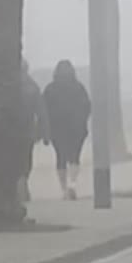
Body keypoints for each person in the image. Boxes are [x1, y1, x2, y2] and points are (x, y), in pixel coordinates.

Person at [43, 60, 91, 200]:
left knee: (61, 158)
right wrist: (82, 121)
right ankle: (72, 184)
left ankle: (64, 189)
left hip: (57, 129)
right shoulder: (78, 88)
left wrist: (45, 128)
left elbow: (43, 109)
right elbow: (87, 106)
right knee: (75, 157)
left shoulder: (50, 89)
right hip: (76, 129)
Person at [18, 58, 49, 202]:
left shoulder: (6, 86)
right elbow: (41, 112)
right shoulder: (32, 87)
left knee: (11, 159)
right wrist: (45, 133)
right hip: (28, 130)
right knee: (26, 159)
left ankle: (18, 186)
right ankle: (23, 184)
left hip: (9, 130)